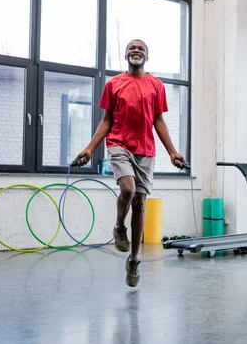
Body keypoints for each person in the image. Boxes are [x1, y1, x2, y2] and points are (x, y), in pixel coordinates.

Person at [73, 39, 188, 287]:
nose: (136, 51)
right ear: (126, 55)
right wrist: (90, 148)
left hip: (145, 150)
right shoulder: (114, 84)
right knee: (128, 188)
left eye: (141, 48)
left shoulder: (156, 85)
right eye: (132, 48)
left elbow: (158, 121)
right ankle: (118, 226)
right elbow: (107, 120)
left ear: (147, 55)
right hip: (119, 144)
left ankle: (134, 260)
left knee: (140, 202)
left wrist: (173, 152)